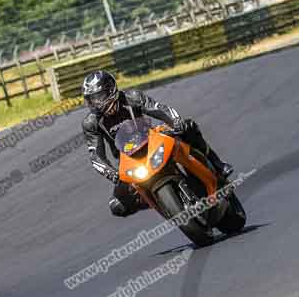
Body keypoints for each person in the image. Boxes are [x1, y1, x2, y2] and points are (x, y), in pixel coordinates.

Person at [81, 70, 233, 217]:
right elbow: (95, 155)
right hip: (127, 158)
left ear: (110, 89)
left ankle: (217, 164)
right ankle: (161, 202)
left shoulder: (132, 97)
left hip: (152, 138)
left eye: (99, 97)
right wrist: (112, 174)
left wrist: (176, 122)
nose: (96, 103)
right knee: (118, 206)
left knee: (189, 127)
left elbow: (159, 108)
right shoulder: (91, 123)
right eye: (91, 100)